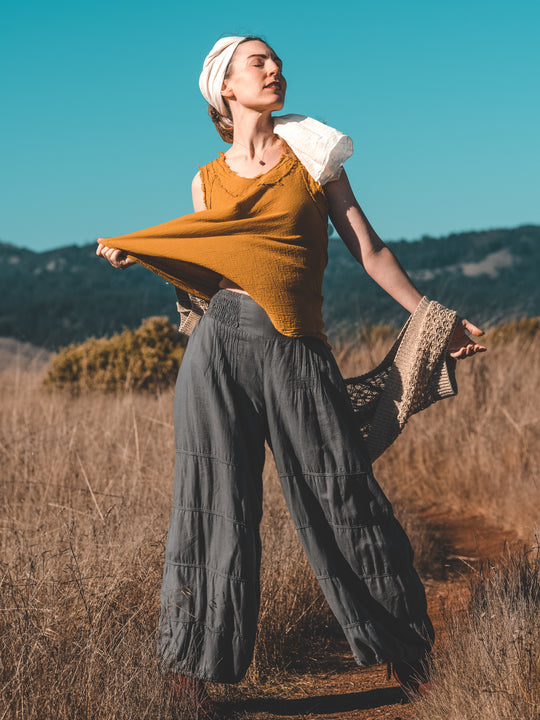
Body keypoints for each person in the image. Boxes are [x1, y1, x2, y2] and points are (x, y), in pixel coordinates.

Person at [96, 35, 486, 710]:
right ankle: (189, 670)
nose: (274, 69)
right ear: (225, 86)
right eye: (257, 62)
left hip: (295, 350)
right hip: (217, 352)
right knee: (212, 508)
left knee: (343, 496)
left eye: (276, 61)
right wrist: (147, 254)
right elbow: (211, 259)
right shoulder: (206, 178)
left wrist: (434, 314)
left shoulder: (313, 157)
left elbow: (368, 247)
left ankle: (404, 654)